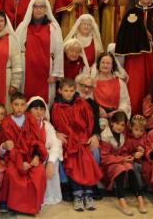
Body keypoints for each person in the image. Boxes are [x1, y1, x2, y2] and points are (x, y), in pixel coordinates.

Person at [51, 78, 103, 212]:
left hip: (82, 138)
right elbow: (55, 125)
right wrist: (56, 132)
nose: (69, 93)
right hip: (68, 140)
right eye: (66, 91)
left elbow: (90, 122)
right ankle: (78, 195)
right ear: (60, 91)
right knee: (73, 159)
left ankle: (88, 194)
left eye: (71, 91)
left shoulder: (82, 103)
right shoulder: (56, 107)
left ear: (75, 91)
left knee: (86, 159)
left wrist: (90, 136)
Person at [0, 93, 48, 215]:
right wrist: (21, 163)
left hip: (31, 155)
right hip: (14, 156)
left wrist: (36, 157)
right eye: (16, 105)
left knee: (39, 171)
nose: (19, 108)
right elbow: (11, 147)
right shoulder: (6, 122)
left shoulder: (30, 119)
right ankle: (8, 203)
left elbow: (38, 141)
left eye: (22, 105)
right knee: (11, 173)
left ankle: (34, 203)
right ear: (11, 105)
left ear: (26, 106)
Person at [15, 0, 64, 103]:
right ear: (31, 8)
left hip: (46, 72)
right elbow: (15, 51)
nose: (38, 9)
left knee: (44, 102)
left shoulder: (54, 27)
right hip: (26, 70)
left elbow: (59, 52)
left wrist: (56, 73)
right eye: (35, 7)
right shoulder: (23, 27)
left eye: (42, 7)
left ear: (46, 9)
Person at [100, 112, 146, 216]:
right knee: (120, 169)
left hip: (120, 160)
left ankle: (140, 198)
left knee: (130, 168)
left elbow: (127, 148)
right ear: (111, 123)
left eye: (122, 125)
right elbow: (105, 158)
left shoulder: (123, 134)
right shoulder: (105, 136)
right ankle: (122, 201)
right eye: (117, 123)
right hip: (108, 164)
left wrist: (136, 153)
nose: (119, 127)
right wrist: (122, 159)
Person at [26, 96, 64, 207]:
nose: (38, 112)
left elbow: (55, 143)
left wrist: (51, 162)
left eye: (41, 109)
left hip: (42, 156)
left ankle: (48, 196)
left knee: (52, 159)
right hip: (28, 156)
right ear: (29, 110)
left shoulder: (47, 125)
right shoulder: (24, 124)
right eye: (35, 109)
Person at [92, 52, 131, 130]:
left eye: (108, 63)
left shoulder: (120, 82)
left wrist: (118, 112)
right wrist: (97, 109)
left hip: (116, 116)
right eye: (103, 62)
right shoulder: (92, 82)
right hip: (97, 116)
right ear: (98, 64)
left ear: (112, 66)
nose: (105, 65)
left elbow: (125, 101)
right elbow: (87, 100)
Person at [123, 115, 149, 214]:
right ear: (131, 128)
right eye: (136, 129)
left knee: (145, 167)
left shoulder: (145, 137)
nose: (138, 132)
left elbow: (149, 149)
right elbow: (125, 153)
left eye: (141, 130)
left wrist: (144, 152)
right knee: (134, 167)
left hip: (143, 161)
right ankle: (139, 189)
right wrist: (134, 155)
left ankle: (143, 187)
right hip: (132, 162)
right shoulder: (128, 138)